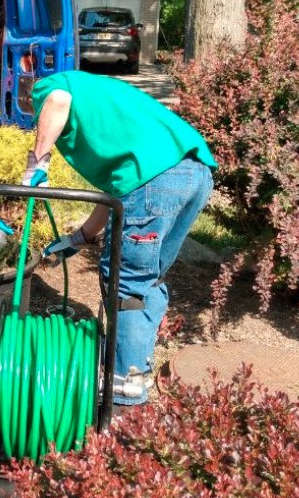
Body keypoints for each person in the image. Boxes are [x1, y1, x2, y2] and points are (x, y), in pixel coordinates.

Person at [22, 70, 216, 411]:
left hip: (156, 181)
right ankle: (136, 365)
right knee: (148, 279)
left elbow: (56, 101)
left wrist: (37, 162)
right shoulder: (101, 95)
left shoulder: (52, 87)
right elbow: (118, 196)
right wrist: (78, 238)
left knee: (126, 286)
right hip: (195, 174)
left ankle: (125, 398)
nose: (36, 114)